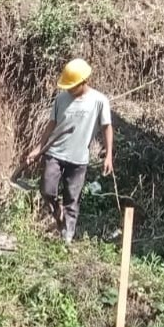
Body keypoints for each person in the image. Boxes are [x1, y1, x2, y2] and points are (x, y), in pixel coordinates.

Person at [26, 58, 114, 243]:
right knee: (47, 189)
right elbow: (51, 125)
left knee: (72, 199)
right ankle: (57, 211)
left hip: (78, 159)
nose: (69, 90)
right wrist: (38, 148)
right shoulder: (61, 99)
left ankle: (67, 235)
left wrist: (108, 155)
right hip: (55, 153)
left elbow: (107, 127)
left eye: (72, 86)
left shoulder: (99, 101)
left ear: (84, 81)